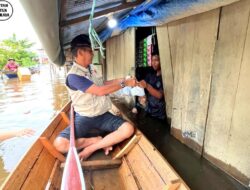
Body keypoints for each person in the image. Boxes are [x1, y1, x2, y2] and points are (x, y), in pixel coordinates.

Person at [54, 34, 136, 160]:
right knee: (60, 144)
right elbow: (100, 91)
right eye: (90, 51)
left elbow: (102, 84)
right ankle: (94, 140)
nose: (93, 54)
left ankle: (92, 147)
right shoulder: (74, 77)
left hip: (103, 115)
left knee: (128, 129)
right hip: (84, 118)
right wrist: (124, 84)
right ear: (80, 52)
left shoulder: (91, 69)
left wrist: (124, 79)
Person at [135, 53, 166, 120]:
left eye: (156, 60)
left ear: (162, 60)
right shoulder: (151, 75)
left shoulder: (164, 78)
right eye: (152, 60)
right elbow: (142, 85)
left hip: (159, 115)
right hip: (149, 110)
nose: (153, 63)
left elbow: (160, 95)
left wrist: (147, 86)